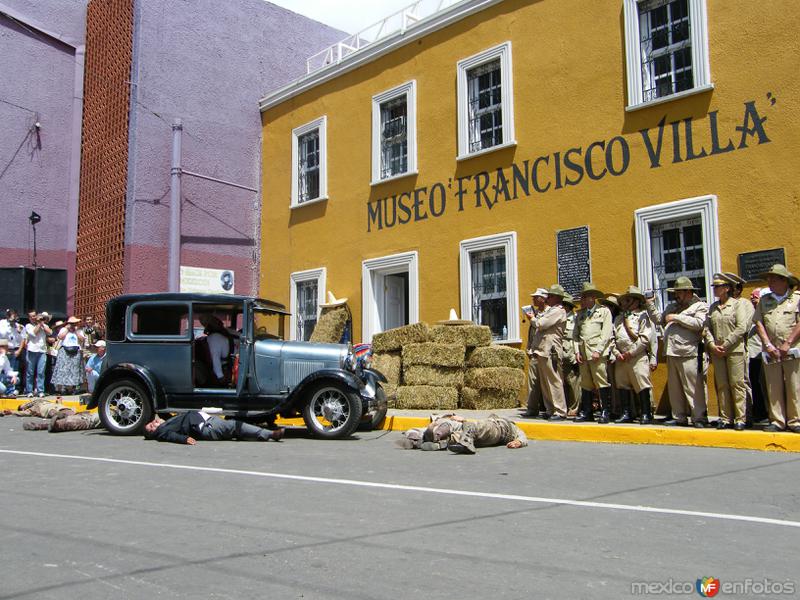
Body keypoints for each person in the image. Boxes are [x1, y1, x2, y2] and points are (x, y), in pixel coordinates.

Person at [646, 277, 709, 427]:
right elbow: (660, 320)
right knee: (675, 388)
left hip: (689, 351)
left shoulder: (700, 306)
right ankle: (679, 416)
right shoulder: (672, 306)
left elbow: (699, 323)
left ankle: (699, 417)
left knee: (693, 387)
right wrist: (649, 305)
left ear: (688, 292)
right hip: (672, 351)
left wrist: (677, 317)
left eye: (679, 292)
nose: (676, 295)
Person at [752, 264, 800, 433]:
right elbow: (758, 322)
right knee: (773, 386)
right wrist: (768, 345)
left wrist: (787, 344)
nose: (769, 282)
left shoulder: (797, 298)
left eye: (773, 278)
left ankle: (795, 421)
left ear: (784, 281)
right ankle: (777, 420)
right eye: (768, 279)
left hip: (792, 349)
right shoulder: (765, 301)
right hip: (771, 350)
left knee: (794, 386)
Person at [704, 273, 748, 430]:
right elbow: (707, 328)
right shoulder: (713, 307)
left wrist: (726, 344)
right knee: (722, 384)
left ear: (727, 288)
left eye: (718, 287)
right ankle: (725, 417)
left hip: (734, 350)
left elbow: (741, 327)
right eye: (714, 287)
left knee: (737, 383)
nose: (715, 289)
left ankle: (740, 418)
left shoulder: (737, 305)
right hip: (717, 351)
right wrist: (711, 344)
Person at [610, 287, 654, 424]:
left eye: (627, 300)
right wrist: (617, 353)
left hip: (637, 356)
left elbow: (645, 338)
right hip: (621, 357)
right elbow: (612, 338)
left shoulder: (642, 316)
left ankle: (646, 413)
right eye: (622, 301)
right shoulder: (618, 318)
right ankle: (626, 413)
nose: (623, 303)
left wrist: (632, 352)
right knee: (623, 385)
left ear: (636, 301)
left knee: (641, 384)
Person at [573, 282, 613, 423]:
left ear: (592, 298)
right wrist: (577, 351)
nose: (582, 300)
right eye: (582, 297)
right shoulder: (580, 315)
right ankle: (587, 411)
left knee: (601, 381)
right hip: (584, 353)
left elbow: (606, 333)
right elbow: (575, 335)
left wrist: (598, 350)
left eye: (584, 297)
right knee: (586, 383)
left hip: (597, 353)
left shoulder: (603, 311)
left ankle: (605, 412)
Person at [528, 285, 569, 420]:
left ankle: (560, 410)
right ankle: (550, 409)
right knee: (545, 382)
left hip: (551, 350)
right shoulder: (551, 310)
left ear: (557, 298)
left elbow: (541, 324)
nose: (547, 298)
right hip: (543, 349)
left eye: (550, 296)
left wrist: (532, 319)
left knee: (554, 380)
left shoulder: (557, 311)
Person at [398, 413, 527, 454]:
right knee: (454, 426)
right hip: (475, 433)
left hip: (498, 432)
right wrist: (462, 420)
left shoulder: (510, 426)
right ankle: (434, 439)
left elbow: (523, 436)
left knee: (475, 426)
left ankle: (428, 438)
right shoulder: (490, 419)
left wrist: (519, 442)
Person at [143, 410, 285, 444]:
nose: (154, 422)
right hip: (207, 426)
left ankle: (263, 433)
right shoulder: (162, 432)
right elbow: (170, 436)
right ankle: (271, 434)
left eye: (152, 422)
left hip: (208, 422)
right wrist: (185, 439)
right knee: (235, 426)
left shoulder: (166, 423)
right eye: (152, 426)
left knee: (236, 427)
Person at [524, 288, 549, 417]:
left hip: (544, 351)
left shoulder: (549, 312)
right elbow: (532, 333)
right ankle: (532, 408)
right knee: (532, 382)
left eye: (536, 297)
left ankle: (549, 409)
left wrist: (532, 319)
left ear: (543, 299)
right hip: (534, 351)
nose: (533, 299)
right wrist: (529, 348)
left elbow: (541, 326)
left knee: (547, 382)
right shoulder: (536, 313)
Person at [746, 288, 769, 424]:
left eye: (755, 296)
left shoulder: (766, 311)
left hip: (764, 354)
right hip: (753, 354)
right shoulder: (751, 311)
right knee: (755, 383)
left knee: (765, 385)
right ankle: (759, 411)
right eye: (752, 296)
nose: (752, 297)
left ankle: (766, 412)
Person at [196, 314, 236, 387]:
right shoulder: (216, 338)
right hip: (223, 370)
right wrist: (220, 376)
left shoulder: (215, 337)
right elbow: (215, 359)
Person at [560, 293, 582, 417]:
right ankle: (566, 406)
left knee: (572, 381)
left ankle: (574, 407)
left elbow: (575, 338)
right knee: (562, 382)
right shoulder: (560, 318)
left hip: (570, 353)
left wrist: (575, 354)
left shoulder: (574, 319)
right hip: (560, 353)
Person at [52, 316, 86, 393]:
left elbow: (82, 339)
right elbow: (60, 337)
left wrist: (76, 331)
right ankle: (62, 388)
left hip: (75, 351)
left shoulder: (79, 330)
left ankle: (71, 388)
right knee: (64, 370)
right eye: (72, 324)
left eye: (75, 324)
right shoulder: (64, 329)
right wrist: (67, 329)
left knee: (74, 370)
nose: (74, 325)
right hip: (65, 350)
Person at [23, 311, 51, 397]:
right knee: (30, 372)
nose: (34, 318)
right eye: (32, 316)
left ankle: (40, 391)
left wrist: (42, 323)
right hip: (32, 350)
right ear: (29, 318)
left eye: (35, 316)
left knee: (41, 372)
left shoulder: (43, 325)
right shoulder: (28, 326)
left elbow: (49, 332)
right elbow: (34, 333)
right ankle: (29, 391)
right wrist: (39, 324)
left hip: (42, 351)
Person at [0, 309, 24, 393]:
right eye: (12, 317)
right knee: (2, 371)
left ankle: (12, 390)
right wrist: (10, 326)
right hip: (3, 349)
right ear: (8, 316)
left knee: (13, 372)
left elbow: (22, 339)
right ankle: (3, 389)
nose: (14, 320)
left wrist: (18, 332)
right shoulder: (2, 323)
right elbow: (2, 334)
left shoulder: (18, 326)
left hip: (14, 350)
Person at [22, 409, 101, 432]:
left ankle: (44, 426)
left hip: (107, 416)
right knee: (79, 416)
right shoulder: (35, 404)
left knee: (89, 421)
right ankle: (42, 426)